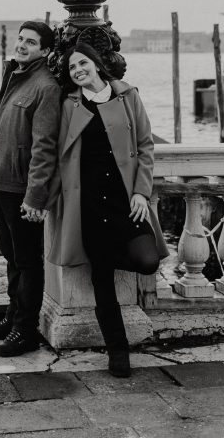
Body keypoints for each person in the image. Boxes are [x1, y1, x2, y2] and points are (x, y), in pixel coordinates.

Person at [47, 39, 168, 378]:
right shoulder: (69, 104)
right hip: (87, 204)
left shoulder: (127, 96)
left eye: (83, 63)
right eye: (72, 68)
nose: (78, 70)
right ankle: (118, 351)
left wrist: (141, 193)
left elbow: (145, 146)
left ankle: (105, 252)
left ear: (97, 64)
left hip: (125, 200)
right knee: (101, 280)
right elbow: (52, 149)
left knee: (148, 261)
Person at [0, 21, 61, 357]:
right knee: (11, 258)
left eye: (31, 42)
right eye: (21, 39)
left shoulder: (46, 87)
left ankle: (25, 330)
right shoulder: (14, 78)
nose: (22, 45)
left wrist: (34, 196)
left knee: (27, 262)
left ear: (46, 51)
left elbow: (44, 149)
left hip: (20, 190)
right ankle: (13, 318)